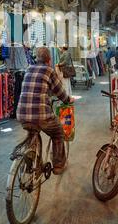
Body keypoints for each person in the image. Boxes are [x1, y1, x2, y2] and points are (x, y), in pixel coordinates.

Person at [17, 47, 75, 175]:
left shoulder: (28, 69)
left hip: (22, 114)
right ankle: (59, 165)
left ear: (36, 58)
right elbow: (60, 92)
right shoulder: (49, 70)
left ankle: (29, 164)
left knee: (32, 133)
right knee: (58, 133)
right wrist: (68, 100)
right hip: (41, 116)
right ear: (49, 60)